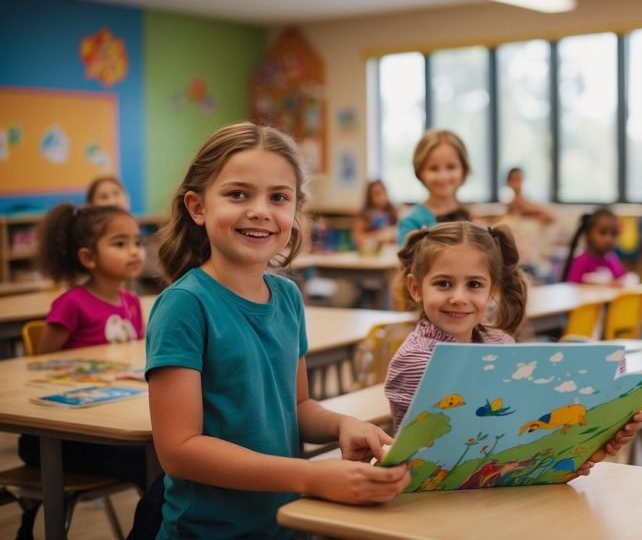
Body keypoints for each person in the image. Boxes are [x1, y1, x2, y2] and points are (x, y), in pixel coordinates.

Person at [145, 122, 409, 538]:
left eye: (279, 197)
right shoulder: (185, 305)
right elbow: (179, 451)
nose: (261, 210)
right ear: (197, 207)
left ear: (294, 212)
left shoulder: (286, 296)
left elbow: (298, 406)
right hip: (208, 531)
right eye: (238, 194)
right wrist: (310, 477)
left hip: (286, 526)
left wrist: (343, 425)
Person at [384, 221, 642, 474]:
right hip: (429, 500)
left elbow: (512, 440)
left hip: (495, 490)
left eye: (474, 284)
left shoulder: (500, 344)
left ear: (492, 290)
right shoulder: (416, 360)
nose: (458, 297)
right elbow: (429, 455)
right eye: (443, 283)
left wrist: (595, 442)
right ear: (416, 288)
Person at [16, 203, 147, 538]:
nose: (134, 251)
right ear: (88, 258)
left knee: (163, 455)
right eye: (120, 244)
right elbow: (39, 367)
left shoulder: (131, 302)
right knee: (156, 463)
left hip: (110, 423)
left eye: (137, 242)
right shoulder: (72, 304)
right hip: (63, 439)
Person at [396, 129, 472, 245]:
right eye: (433, 168)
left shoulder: (471, 217)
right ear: (420, 172)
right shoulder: (411, 223)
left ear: (464, 169)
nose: (443, 176)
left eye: (451, 167)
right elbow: (406, 260)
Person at [561, 207, 633, 285]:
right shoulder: (581, 262)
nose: (609, 239)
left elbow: (623, 279)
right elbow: (572, 288)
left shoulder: (612, 259)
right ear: (589, 234)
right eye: (603, 232)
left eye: (613, 234)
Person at [352, 179, 400, 253]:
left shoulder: (392, 213)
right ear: (369, 196)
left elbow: (397, 235)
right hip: (371, 256)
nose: (381, 197)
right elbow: (357, 239)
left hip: (389, 255)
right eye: (377, 194)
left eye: (383, 192)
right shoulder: (364, 215)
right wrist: (379, 236)